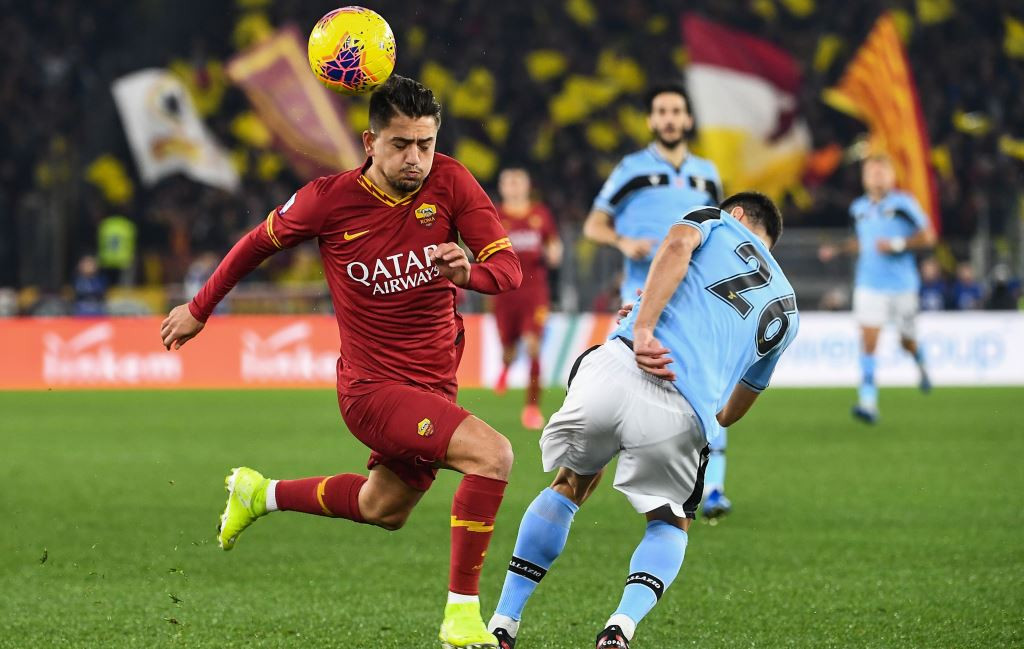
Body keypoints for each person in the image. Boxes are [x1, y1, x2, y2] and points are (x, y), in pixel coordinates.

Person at [159, 76, 522, 649]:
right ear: (369, 141)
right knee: (493, 455)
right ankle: (462, 616)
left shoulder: (451, 182)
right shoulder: (329, 199)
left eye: (426, 144)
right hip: (371, 391)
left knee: (385, 508)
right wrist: (200, 309)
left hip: (434, 388)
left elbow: (509, 271)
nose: (415, 159)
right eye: (400, 144)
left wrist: (467, 273)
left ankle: (261, 493)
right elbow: (254, 243)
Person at [487, 193, 796, 649]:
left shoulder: (715, 220)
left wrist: (646, 324)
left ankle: (502, 624)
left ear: (736, 215)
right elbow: (732, 409)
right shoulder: (787, 310)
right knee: (669, 521)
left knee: (569, 484)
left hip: (618, 364)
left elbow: (675, 247)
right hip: (682, 410)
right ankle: (619, 629)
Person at [582, 82, 731, 519]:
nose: (669, 118)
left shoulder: (708, 174)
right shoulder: (631, 169)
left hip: (694, 299)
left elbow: (719, 234)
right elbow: (594, 224)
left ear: (686, 120)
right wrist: (622, 241)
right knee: (624, 396)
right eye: (661, 111)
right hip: (640, 302)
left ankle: (714, 487)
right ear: (651, 121)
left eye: (676, 111)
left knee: (706, 387)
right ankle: (591, 480)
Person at [819, 152, 937, 424]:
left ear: (891, 176)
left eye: (881, 171)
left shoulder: (903, 204)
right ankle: (868, 401)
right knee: (868, 340)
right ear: (864, 178)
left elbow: (929, 236)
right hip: (869, 284)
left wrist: (898, 244)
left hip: (902, 285)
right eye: (871, 172)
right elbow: (863, 242)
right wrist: (836, 250)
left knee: (906, 341)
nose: (876, 176)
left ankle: (920, 361)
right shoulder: (859, 208)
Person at [492, 167, 562, 430]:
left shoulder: (540, 214)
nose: (513, 187)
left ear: (526, 185)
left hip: (535, 292)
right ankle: (505, 368)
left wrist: (555, 251)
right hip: (505, 294)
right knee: (509, 350)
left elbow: (553, 242)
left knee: (533, 345)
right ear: (502, 187)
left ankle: (531, 408)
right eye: (509, 182)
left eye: (518, 182)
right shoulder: (495, 216)